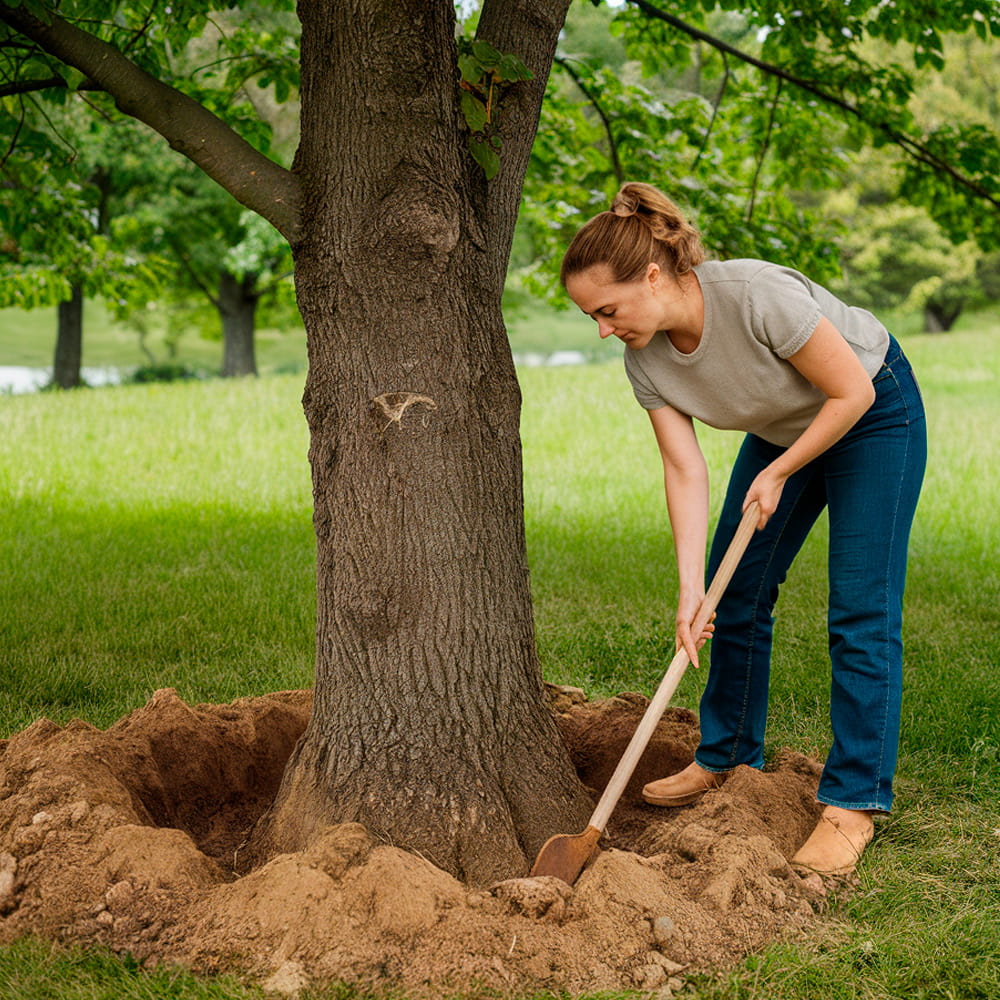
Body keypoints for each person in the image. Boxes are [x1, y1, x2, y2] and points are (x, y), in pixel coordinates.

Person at [561, 182, 926, 883]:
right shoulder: (646, 361)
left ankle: (853, 802)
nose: (603, 330)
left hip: (873, 413)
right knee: (733, 600)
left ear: (653, 276)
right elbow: (684, 468)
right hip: (784, 429)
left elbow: (853, 393)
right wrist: (691, 589)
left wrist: (783, 469)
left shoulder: (756, 296)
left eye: (606, 311)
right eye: (592, 319)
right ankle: (726, 753)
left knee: (860, 607)